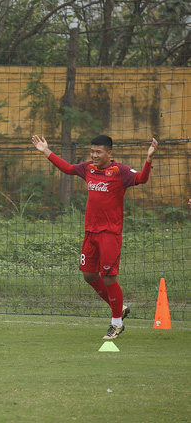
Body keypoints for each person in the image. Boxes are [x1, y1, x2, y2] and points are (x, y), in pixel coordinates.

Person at [31, 134, 158, 339]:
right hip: (90, 232)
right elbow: (68, 168)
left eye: (98, 152)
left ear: (109, 153)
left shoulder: (121, 171)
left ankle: (116, 324)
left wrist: (149, 159)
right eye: (92, 151)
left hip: (110, 234)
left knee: (109, 277)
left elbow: (142, 179)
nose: (94, 155)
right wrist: (46, 151)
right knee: (89, 275)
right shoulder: (88, 168)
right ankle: (120, 308)